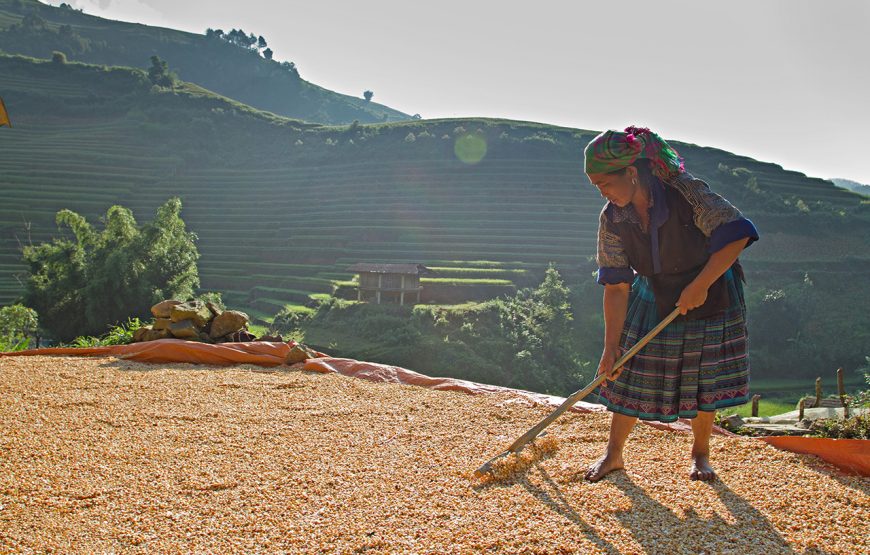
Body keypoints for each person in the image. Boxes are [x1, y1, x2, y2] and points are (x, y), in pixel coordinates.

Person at [582, 126, 759, 482]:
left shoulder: (685, 193)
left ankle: (700, 455)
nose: (601, 192)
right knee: (628, 370)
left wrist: (700, 285)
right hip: (655, 289)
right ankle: (613, 455)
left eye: (605, 183)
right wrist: (611, 347)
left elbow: (737, 234)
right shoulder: (612, 218)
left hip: (710, 286)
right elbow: (616, 286)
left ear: (631, 173)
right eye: (596, 186)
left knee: (702, 374)